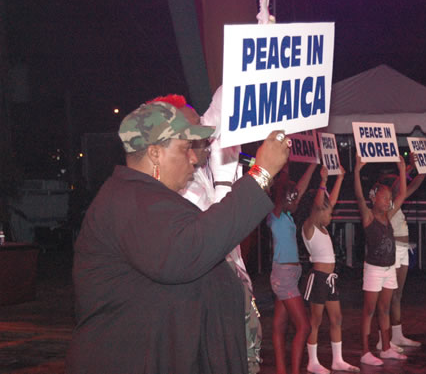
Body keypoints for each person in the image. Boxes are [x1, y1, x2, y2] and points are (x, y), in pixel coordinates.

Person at [66, 100, 290, 374]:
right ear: (155, 153)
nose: (195, 159)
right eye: (185, 149)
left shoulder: (145, 198)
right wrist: (260, 175)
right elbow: (188, 250)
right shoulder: (132, 201)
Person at [151, 93, 264, 374]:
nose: (208, 139)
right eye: (196, 134)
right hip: (206, 313)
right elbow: (216, 237)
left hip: (233, 298)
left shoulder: (201, 170)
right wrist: (233, 177)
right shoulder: (174, 186)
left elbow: (223, 107)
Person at [296, 165, 360, 373]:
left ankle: (337, 360)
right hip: (318, 277)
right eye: (328, 212)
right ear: (318, 210)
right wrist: (323, 181)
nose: (331, 216)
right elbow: (319, 207)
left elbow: (329, 203)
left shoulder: (321, 227)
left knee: (336, 318)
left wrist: (340, 177)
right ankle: (312, 362)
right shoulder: (310, 225)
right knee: (316, 320)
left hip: (330, 278)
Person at [375, 153, 426, 351]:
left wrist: (425, 169)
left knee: (397, 295)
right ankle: (382, 338)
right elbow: (400, 187)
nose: (397, 184)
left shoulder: (396, 202)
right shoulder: (385, 207)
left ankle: (397, 334)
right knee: (387, 295)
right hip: (392, 250)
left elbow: (414, 186)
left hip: (402, 249)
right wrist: (409, 168)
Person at [354, 154, 408, 366]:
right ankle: (365, 351)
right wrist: (357, 171)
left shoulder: (388, 215)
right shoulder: (368, 217)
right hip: (374, 269)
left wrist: (402, 169)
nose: (388, 202)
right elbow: (358, 197)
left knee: (384, 309)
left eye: (389, 199)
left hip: (388, 268)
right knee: (369, 311)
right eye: (384, 198)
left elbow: (402, 193)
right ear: (374, 199)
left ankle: (386, 347)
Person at [267, 162, 317, 374]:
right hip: (284, 276)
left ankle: (281, 370)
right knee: (304, 327)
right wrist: (284, 169)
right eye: (294, 198)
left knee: (280, 326)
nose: (298, 200)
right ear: (285, 198)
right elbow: (282, 192)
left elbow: (298, 189)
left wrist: (313, 164)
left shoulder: (285, 216)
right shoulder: (275, 215)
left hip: (288, 275)